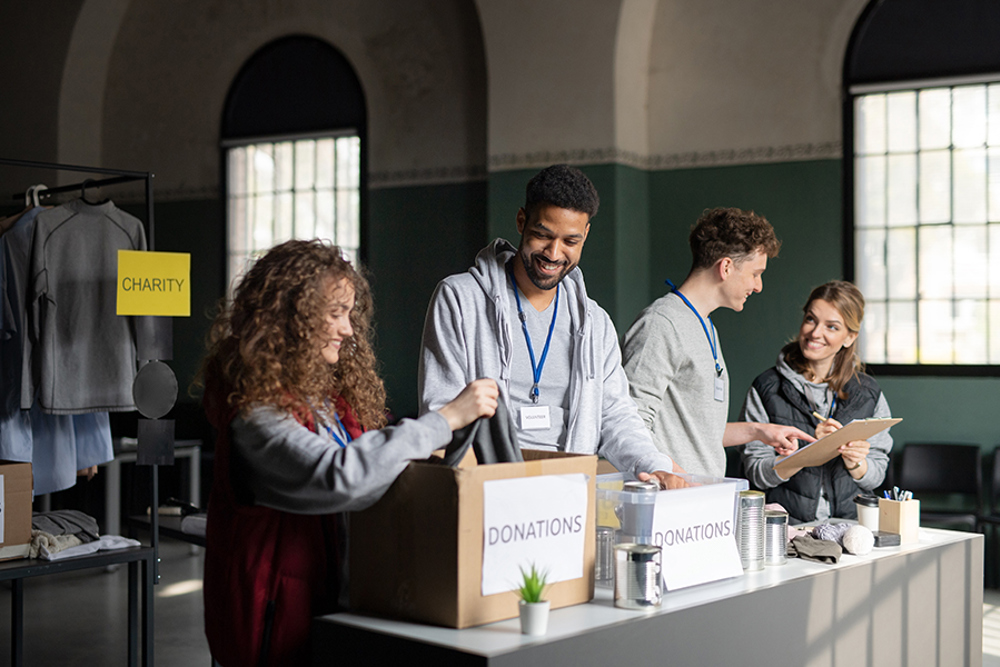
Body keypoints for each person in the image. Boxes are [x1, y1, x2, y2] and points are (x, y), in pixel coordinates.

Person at [200, 239, 498, 666]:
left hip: (333, 612)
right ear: (291, 317)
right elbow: (340, 476)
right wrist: (444, 419)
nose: (348, 329)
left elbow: (374, 468)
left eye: (349, 314)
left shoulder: (333, 398)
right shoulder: (253, 413)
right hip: (273, 627)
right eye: (334, 313)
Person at [419, 164, 681, 488]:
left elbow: (616, 416)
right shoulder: (460, 299)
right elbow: (440, 410)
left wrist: (654, 464)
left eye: (570, 240)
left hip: (568, 500)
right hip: (486, 491)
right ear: (521, 222)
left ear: (585, 235)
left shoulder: (596, 324)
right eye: (542, 235)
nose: (554, 253)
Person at [622, 207, 813, 478]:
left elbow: (698, 432)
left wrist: (759, 431)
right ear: (725, 267)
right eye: (755, 273)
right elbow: (631, 423)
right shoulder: (661, 323)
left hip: (702, 503)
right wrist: (680, 482)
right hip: (671, 501)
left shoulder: (706, 326)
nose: (758, 286)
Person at [739, 280, 892, 523]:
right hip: (785, 527)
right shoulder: (767, 387)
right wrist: (809, 453)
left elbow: (875, 477)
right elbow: (756, 473)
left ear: (849, 337)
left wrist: (856, 463)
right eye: (811, 319)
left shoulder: (869, 393)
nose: (815, 333)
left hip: (850, 526)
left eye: (832, 327)